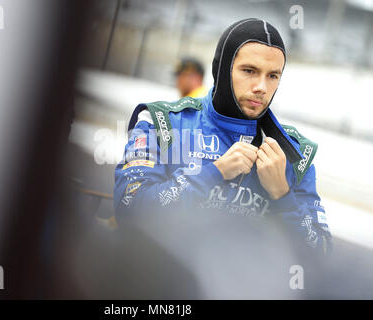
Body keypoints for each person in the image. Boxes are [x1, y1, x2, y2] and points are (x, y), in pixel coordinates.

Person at [114, 18, 332, 255]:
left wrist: (282, 194)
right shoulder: (162, 122)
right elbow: (129, 210)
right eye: (249, 71)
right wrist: (213, 172)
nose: (261, 87)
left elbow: (320, 253)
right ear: (222, 68)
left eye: (272, 76)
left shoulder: (294, 153)